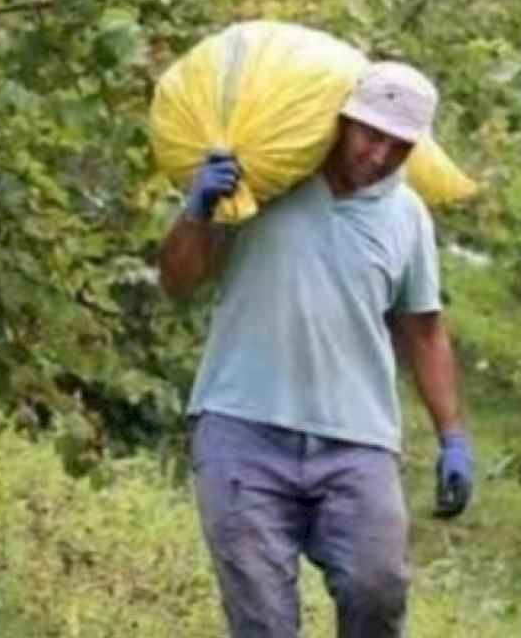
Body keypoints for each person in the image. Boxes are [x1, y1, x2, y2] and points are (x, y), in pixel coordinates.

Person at [156, 61, 474, 638]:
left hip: (357, 441)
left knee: (377, 593)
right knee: (264, 622)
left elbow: (424, 329)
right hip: (242, 430)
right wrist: (197, 211)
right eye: (371, 135)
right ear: (344, 121)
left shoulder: (407, 216)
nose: (379, 155)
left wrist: (452, 437)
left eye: (399, 146)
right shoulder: (266, 181)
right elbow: (177, 281)